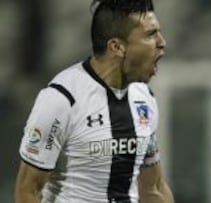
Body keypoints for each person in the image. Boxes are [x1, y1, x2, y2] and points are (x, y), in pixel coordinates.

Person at [14, 0, 175, 203]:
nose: (162, 42)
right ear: (116, 46)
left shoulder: (144, 99)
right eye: (151, 34)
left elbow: (154, 189)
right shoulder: (62, 99)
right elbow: (28, 191)